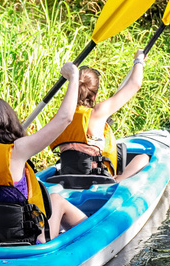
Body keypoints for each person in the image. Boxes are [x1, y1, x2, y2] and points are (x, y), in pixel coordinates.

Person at [0, 62, 87, 244]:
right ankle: (91, 237)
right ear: (8, 123)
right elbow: (65, 118)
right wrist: (74, 77)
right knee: (56, 200)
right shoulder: (17, 151)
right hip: (28, 241)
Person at [50, 49, 150, 181]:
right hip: (97, 179)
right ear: (95, 95)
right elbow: (135, 84)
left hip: (67, 176)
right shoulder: (98, 112)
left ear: (72, 88)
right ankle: (118, 180)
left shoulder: (61, 117)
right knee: (143, 158)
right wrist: (138, 60)